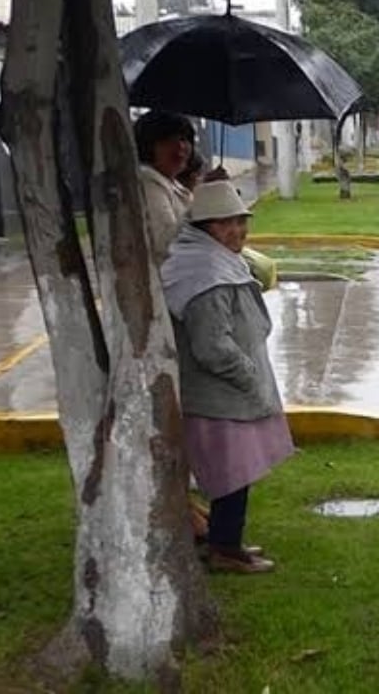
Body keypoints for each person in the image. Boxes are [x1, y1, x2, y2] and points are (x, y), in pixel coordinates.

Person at [161, 181, 295, 574]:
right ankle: (224, 550)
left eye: (240, 221)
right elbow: (211, 346)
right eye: (225, 223)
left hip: (228, 395)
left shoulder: (214, 258)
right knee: (231, 476)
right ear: (203, 227)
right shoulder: (204, 273)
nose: (237, 231)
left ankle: (225, 542)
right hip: (219, 396)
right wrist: (248, 374)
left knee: (236, 473)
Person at [135, 111, 196, 264]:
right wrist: (204, 197)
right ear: (147, 146)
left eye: (184, 139)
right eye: (169, 141)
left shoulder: (172, 182)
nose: (180, 147)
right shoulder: (148, 181)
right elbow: (166, 243)